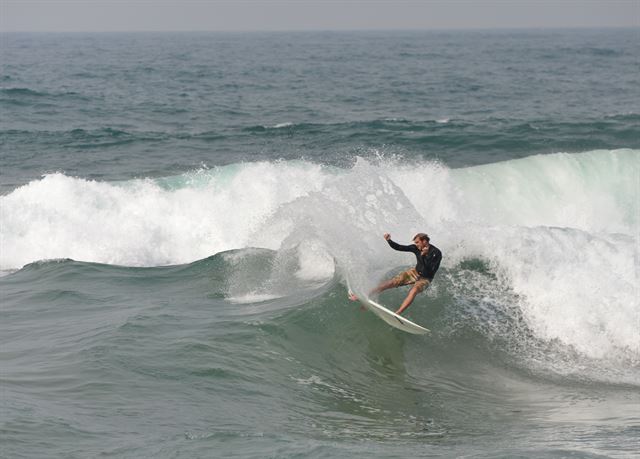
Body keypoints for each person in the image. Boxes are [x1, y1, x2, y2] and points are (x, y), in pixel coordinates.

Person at [351, 232, 442, 315]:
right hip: (415, 272)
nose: (416, 244)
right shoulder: (416, 248)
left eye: (417, 242)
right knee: (390, 283)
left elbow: (430, 269)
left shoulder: (436, 253)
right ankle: (364, 297)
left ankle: (398, 312)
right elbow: (399, 247)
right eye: (415, 243)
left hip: (425, 278)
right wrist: (389, 240)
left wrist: (424, 256)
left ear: (425, 241)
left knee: (414, 290)